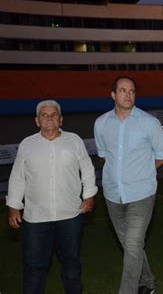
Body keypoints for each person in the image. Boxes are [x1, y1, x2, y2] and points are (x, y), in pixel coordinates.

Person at [7, 100, 97, 294]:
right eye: (44, 115)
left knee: (71, 264)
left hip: (70, 215)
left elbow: (87, 169)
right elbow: (17, 177)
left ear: (61, 119)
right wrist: (14, 206)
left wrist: (89, 195)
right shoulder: (27, 145)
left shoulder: (74, 141)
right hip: (36, 218)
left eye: (53, 114)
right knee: (34, 267)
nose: (49, 118)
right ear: (37, 121)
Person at [94, 77, 163, 294]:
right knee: (131, 247)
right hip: (112, 195)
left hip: (142, 194)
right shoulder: (101, 123)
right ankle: (148, 283)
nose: (128, 95)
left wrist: (143, 171)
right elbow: (104, 155)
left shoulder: (149, 122)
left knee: (133, 246)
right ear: (113, 95)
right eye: (123, 90)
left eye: (132, 91)